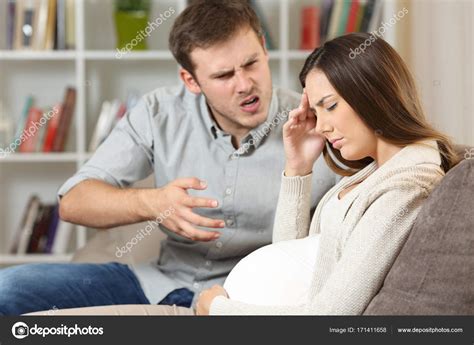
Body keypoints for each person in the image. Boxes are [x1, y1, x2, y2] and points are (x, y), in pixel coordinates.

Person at [44, 32, 460, 316]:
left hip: (226, 308)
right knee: (19, 296)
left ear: (374, 94)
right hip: (179, 286)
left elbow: (331, 316)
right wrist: (297, 169)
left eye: (330, 107)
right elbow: (291, 258)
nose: (323, 125)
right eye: (224, 75)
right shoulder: (371, 171)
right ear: (190, 80)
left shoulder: (404, 184)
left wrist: (217, 307)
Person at [0, 1, 337, 316]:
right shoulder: (159, 112)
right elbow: (73, 201)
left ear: (264, 47)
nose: (245, 84)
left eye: (251, 63)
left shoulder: (319, 125)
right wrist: (152, 202)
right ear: (190, 80)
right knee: (10, 289)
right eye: (223, 76)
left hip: (250, 296)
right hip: (161, 282)